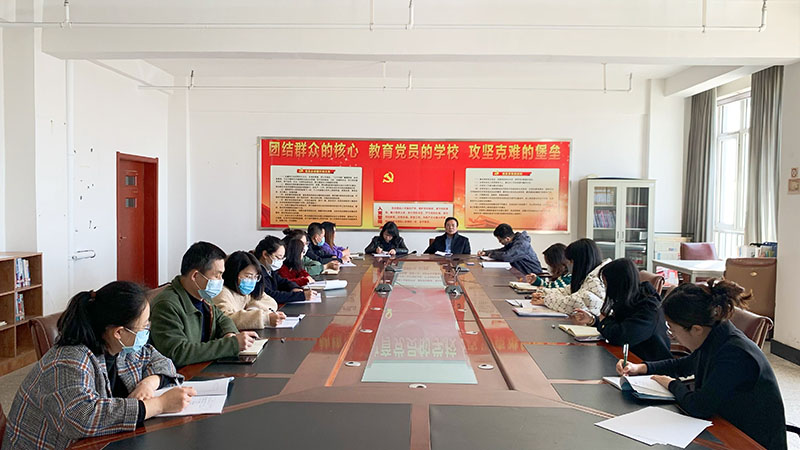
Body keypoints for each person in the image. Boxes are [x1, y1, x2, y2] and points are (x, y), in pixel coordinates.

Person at [2, 282, 195, 449]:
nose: (147, 331)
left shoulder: (120, 346)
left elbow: (162, 361)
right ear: (119, 332)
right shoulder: (68, 360)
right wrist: (158, 405)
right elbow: (83, 417)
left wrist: (149, 383)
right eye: (144, 326)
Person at [618, 280, 787, 450]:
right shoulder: (715, 333)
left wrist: (671, 384)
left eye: (673, 330)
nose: (672, 336)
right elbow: (686, 364)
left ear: (696, 329)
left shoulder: (735, 354)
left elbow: (698, 407)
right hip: (724, 425)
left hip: (748, 441)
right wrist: (641, 368)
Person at [150, 242, 259, 367]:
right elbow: (177, 353)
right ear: (195, 276)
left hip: (204, 366)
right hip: (184, 374)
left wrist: (229, 334)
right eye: (217, 275)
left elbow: (222, 319)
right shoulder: (167, 305)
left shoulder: (202, 295)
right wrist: (231, 344)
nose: (221, 280)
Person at [571, 258, 671, 361]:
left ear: (617, 284)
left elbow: (619, 335)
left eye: (606, 284)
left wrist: (604, 322)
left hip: (648, 364)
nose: (606, 289)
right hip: (629, 359)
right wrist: (593, 320)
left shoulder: (649, 308)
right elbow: (619, 325)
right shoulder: (633, 299)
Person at [530, 238, 608, 315]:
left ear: (580, 262)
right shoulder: (587, 277)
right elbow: (566, 291)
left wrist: (546, 300)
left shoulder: (596, 280)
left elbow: (575, 303)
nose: (568, 264)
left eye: (571, 261)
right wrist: (543, 293)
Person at [214, 251, 286, 330]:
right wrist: (264, 318)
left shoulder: (246, 291)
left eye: (256, 277)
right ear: (233, 273)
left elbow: (270, 302)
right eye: (248, 276)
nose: (252, 281)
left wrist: (252, 309)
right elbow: (226, 320)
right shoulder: (222, 292)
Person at [255, 235, 320, 304]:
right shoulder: (256, 273)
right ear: (265, 254)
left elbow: (283, 282)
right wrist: (301, 296)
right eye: (278, 257)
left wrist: (294, 288)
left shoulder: (270, 270)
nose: (280, 261)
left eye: (282, 258)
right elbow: (270, 295)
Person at [477, 223, 542, 274]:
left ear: (507, 239)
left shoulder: (522, 244)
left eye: (500, 240)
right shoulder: (513, 242)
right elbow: (502, 250)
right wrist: (486, 252)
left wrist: (491, 255)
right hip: (521, 273)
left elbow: (507, 256)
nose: (499, 242)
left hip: (532, 275)